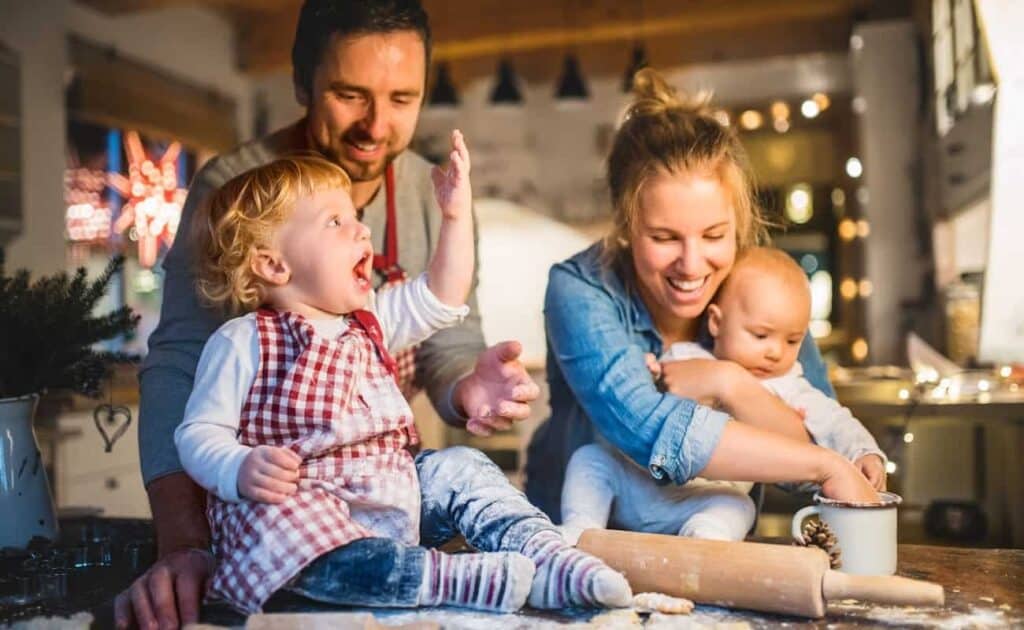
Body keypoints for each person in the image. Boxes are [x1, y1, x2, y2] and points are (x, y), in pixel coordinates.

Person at [117, 1, 539, 627]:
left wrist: (466, 388)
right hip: (279, 502)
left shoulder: (435, 195)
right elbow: (182, 364)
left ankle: (544, 557)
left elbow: (447, 340)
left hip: (378, 491)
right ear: (301, 83)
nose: (376, 125)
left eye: (403, 98)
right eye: (349, 94)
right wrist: (184, 545)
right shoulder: (235, 190)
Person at [173, 144, 631, 615]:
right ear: (274, 265)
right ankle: (454, 580)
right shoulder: (242, 341)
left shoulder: (370, 316)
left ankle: (550, 557)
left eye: (355, 216)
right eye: (335, 222)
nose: (361, 230)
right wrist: (237, 469)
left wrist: (453, 217)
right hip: (305, 508)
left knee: (460, 467)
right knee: (278, 537)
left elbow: (441, 293)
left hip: (392, 492)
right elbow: (198, 433)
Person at [525, 67, 880, 526]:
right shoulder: (581, 288)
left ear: (739, 226)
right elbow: (648, 429)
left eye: (714, 235)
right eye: (665, 237)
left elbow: (813, 436)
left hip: (710, 540)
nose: (692, 265)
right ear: (627, 228)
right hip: (583, 546)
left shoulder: (762, 287)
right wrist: (821, 463)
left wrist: (725, 381)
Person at [558, 246, 887, 544]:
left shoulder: (791, 387)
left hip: (701, 501)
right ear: (716, 322)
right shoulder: (687, 356)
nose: (774, 352)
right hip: (634, 492)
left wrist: (864, 453)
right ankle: (581, 531)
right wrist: (646, 370)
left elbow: (837, 423)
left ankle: (705, 540)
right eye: (760, 335)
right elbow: (642, 404)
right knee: (590, 460)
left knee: (738, 506)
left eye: (791, 342)